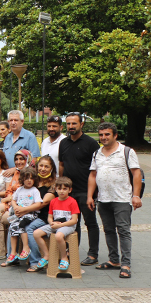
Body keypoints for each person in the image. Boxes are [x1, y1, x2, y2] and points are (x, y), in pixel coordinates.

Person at [87, 122, 142, 279]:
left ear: (115, 135)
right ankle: (114, 260)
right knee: (109, 230)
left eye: (107, 134)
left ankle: (126, 264)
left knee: (123, 231)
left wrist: (136, 195)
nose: (103, 137)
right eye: (101, 134)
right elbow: (92, 175)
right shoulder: (97, 153)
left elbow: (136, 174)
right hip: (103, 199)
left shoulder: (126, 151)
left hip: (122, 198)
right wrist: (90, 196)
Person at [58, 112, 101, 266]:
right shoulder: (63, 143)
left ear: (81, 124)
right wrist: (60, 186)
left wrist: (91, 194)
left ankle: (93, 254)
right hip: (69, 192)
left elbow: (96, 170)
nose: (71, 126)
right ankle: (71, 251)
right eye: (68, 124)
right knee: (71, 224)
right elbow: (61, 164)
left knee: (90, 222)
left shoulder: (91, 144)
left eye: (74, 123)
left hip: (85, 191)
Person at [0, 149, 33, 261]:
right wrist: (7, 198)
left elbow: (24, 194)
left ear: (27, 160)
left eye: (21, 159)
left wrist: (7, 199)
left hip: (22, 207)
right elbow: (9, 190)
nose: (18, 162)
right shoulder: (16, 173)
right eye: (16, 159)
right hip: (9, 204)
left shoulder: (30, 174)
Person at [32, 177, 80, 272]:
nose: (62, 191)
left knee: (58, 236)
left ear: (70, 190)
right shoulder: (53, 201)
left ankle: (64, 257)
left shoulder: (72, 202)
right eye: (59, 188)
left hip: (68, 225)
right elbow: (50, 217)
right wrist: (51, 223)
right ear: (56, 189)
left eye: (65, 189)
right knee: (36, 233)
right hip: (55, 224)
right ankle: (46, 255)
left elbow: (74, 220)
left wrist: (60, 226)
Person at [23, 155, 59, 271]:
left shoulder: (54, 184)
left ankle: (36, 261)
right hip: (32, 213)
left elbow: (44, 202)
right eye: (41, 166)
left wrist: (24, 210)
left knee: (29, 228)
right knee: (17, 224)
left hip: (45, 216)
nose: (43, 169)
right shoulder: (34, 181)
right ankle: (12, 256)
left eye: (46, 167)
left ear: (52, 169)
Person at [4, 167, 43, 265]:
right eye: (26, 178)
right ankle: (13, 252)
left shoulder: (35, 190)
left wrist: (25, 210)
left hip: (30, 213)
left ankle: (26, 247)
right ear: (22, 180)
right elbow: (13, 199)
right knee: (13, 226)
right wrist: (15, 207)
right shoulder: (19, 190)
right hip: (19, 213)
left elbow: (38, 204)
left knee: (22, 224)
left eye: (31, 178)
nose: (29, 181)